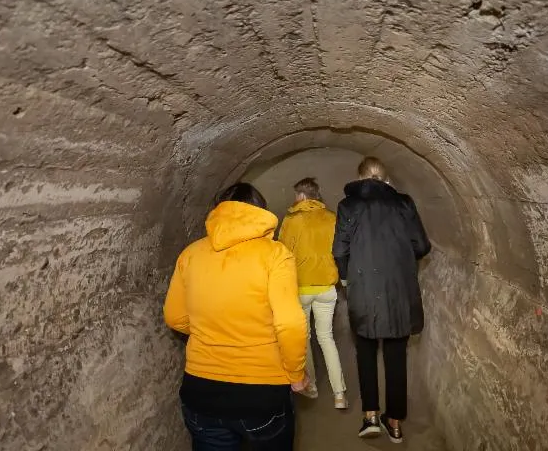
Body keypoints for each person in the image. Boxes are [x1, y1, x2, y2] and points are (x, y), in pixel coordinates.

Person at [163, 183, 308, 451]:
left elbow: (174, 317)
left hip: (201, 392)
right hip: (261, 393)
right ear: (258, 211)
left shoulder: (191, 254)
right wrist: (296, 373)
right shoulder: (275, 254)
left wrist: (212, 327)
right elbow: (289, 323)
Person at [332, 157, 431, 444]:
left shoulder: (348, 205)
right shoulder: (403, 203)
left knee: (365, 353)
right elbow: (422, 245)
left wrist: (347, 279)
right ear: (385, 178)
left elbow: (340, 249)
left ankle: (370, 416)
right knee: (396, 357)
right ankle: (396, 422)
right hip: (399, 291)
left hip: (364, 290)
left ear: (361, 177)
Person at [278, 177, 348, 410]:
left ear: (302, 196)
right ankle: (340, 394)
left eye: (296, 195)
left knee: (304, 339)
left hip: (301, 288)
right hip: (327, 288)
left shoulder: (291, 219)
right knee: (327, 338)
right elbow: (339, 249)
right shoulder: (331, 218)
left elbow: (282, 253)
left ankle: (312, 387)